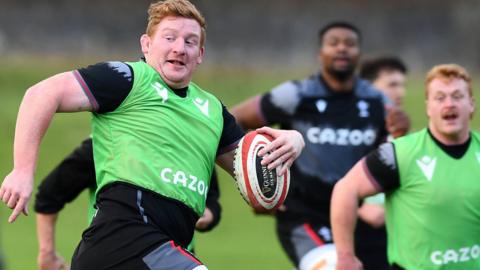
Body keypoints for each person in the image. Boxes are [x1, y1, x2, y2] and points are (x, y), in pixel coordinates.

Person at [0, 0, 305, 269]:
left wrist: (293, 142)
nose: (179, 48)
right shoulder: (127, 79)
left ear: (200, 54)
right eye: (169, 38)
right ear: (146, 45)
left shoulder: (213, 111)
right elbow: (42, 93)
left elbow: (259, 185)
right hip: (124, 234)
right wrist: (23, 169)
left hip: (167, 245)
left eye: (190, 41)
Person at [231, 22, 409, 270]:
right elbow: (233, 120)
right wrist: (256, 182)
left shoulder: (377, 101)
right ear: (320, 53)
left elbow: (393, 153)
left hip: (359, 219)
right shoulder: (296, 95)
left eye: (349, 44)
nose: (341, 49)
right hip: (306, 217)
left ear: (359, 54)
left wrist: (402, 131)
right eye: (333, 43)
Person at [331, 64, 480, 270]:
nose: (449, 104)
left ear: (471, 104)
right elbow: (346, 188)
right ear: (428, 107)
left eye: (457, 96)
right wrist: (345, 256)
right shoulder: (400, 154)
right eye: (440, 97)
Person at [34, 138, 223, 270]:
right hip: (120, 256)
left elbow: (211, 197)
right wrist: (47, 253)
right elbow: (49, 195)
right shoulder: (106, 146)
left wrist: (209, 214)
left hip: (175, 257)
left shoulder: (192, 145)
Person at [358, 56, 408, 227]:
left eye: (402, 85)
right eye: (392, 85)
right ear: (368, 87)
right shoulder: (355, 132)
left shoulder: (398, 129)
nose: (401, 93)